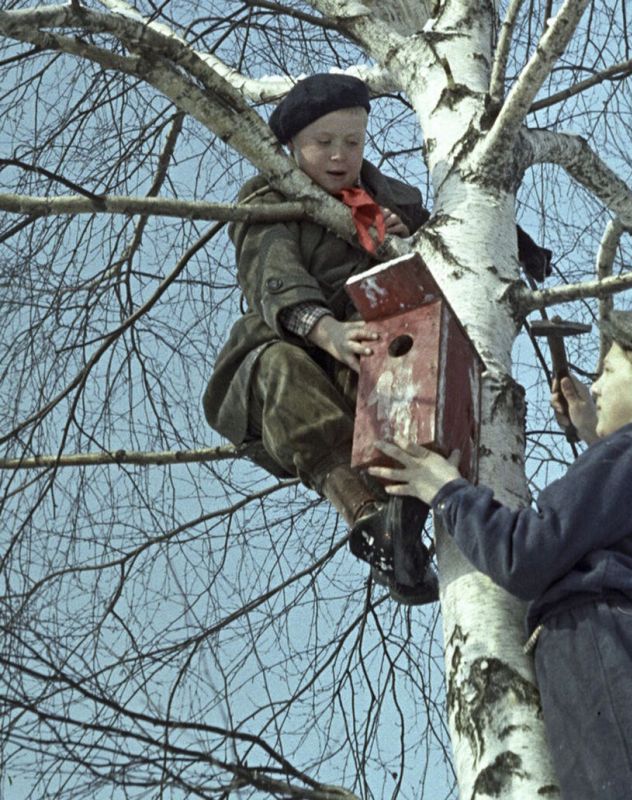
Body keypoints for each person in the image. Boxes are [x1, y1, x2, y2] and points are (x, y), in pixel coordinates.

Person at [370, 310, 632, 798]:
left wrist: (448, 492)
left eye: (606, 371)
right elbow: (617, 520)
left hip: (612, 659)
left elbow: (525, 554)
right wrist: (594, 432)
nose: (595, 387)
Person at [203, 73, 438, 603]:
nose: (339, 156)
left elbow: (456, 247)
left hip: (370, 367)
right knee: (282, 367)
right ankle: (365, 515)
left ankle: (408, 520)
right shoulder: (267, 197)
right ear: (292, 146)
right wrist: (324, 329)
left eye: (352, 143)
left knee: (407, 359)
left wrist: (413, 243)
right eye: (322, 143)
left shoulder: (391, 202)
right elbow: (271, 270)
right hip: (292, 362)